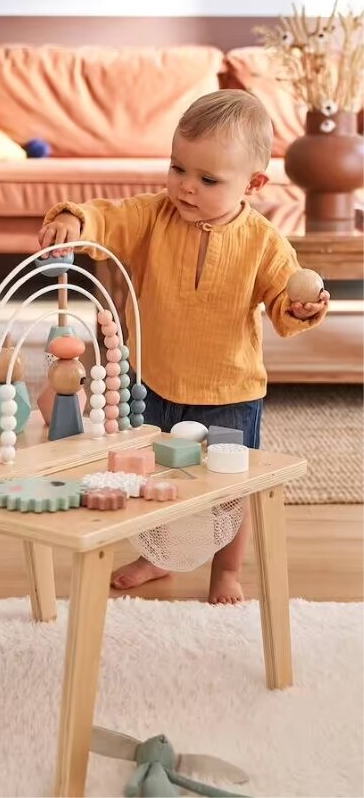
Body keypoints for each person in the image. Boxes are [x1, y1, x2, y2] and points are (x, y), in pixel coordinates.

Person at [37, 89, 329, 603]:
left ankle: (227, 573)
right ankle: (157, 556)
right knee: (153, 480)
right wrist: (76, 220)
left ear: (254, 184)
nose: (186, 187)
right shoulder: (153, 216)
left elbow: (284, 294)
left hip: (229, 390)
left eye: (208, 179)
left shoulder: (265, 241)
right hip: (154, 382)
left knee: (228, 490)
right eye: (178, 169)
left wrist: (300, 306)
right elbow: (109, 217)